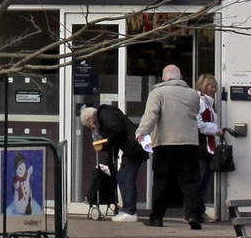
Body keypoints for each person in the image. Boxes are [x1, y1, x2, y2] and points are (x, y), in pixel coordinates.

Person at [136, 64, 205, 229]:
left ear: (163, 78)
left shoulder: (158, 93)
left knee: (162, 180)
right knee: (190, 181)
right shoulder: (193, 95)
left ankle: (157, 217)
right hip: (189, 143)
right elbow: (194, 113)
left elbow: (151, 115)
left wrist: (141, 132)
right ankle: (194, 215)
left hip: (165, 142)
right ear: (180, 78)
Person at [91, 100, 146, 221]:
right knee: (124, 176)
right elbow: (116, 136)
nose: (94, 128)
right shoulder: (108, 113)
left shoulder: (104, 115)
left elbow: (117, 130)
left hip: (133, 147)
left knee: (125, 177)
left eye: (91, 126)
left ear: (91, 120)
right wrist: (108, 160)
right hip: (134, 146)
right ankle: (128, 210)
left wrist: (107, 143)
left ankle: (130, 211)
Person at [194, 73, 224, 222]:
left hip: (207, 147)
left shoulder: (208, 104)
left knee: (204, 181)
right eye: (212, 87)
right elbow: (199, 125)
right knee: (199, 181)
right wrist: (216, 130)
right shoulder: (199, 102)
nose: (215, 90)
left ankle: (199, 211)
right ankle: (196, 212)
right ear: (205, 87)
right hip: (201, 147)